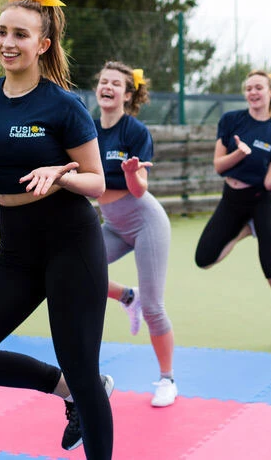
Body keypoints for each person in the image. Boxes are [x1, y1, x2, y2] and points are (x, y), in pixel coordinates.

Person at [0, 0, 113, 459]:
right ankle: (67, 389)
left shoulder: (63, 105)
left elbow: (97, 182)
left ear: (43, 44)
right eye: (2, 32)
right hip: (15, 249)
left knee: (81, 366)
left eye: (20, 34)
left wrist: (61, 174)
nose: (8, 42)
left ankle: (82, 388)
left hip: (70, 243)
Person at [194, 70, 271, 352]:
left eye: (258, 87)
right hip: (231, 199)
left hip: (261, 200)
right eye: (248, 88)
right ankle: (244, 230)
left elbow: (270, 181)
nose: (252, 92)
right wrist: (240, 153)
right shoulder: (231, 121)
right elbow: (219, 166)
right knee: (204, 259)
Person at [93, 62, 177, 407]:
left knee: (154, 307)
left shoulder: (135, 132)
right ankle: (128, 296)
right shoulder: (87, 129)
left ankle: (167, 379)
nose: (108, 86)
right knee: (74, 271)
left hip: (146, 223)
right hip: (113, 224)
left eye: (116, 83)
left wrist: (130, 173)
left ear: (128, 95)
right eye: (104, 81)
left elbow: (140, 189)